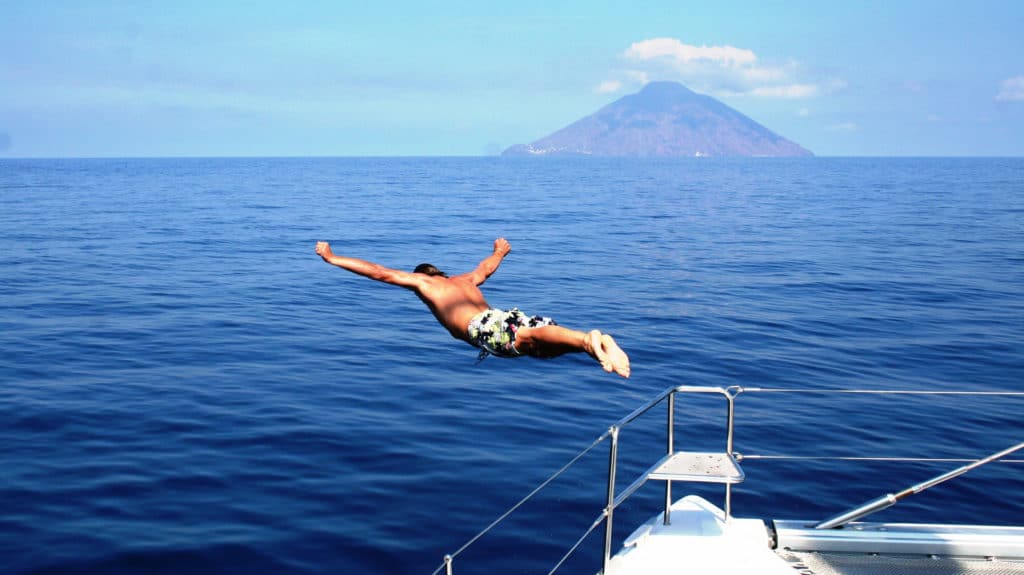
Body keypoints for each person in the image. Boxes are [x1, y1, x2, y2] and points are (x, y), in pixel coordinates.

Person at [315, 238, 630, 378]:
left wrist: (333, 258)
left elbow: (379, 272)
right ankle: (592, 344)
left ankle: (590, 341)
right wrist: (500, 251)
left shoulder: (424, 284)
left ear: (421, 277)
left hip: (484, 327)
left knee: (526, 343)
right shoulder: (466, 280)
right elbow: (487, 267)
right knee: (539, 345)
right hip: (504, 316)